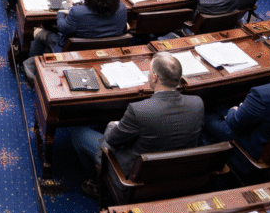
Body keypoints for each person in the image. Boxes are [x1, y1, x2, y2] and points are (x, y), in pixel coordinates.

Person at [70, 52, 203, 197]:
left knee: (79, 133)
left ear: (155, 77)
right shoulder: (197, 103)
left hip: (134, 176)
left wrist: (112, 125)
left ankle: (97, 184)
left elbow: (112, 140)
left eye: (149, 71)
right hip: (175, 174)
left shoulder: (139, 110)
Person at [23, 0, 127, 77]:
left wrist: (61, 14)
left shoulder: (78, 12)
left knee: (40, 34)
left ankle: (32, 71)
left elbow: (62, 28)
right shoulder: (122, 8)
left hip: (74, 52)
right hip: (108, 52)